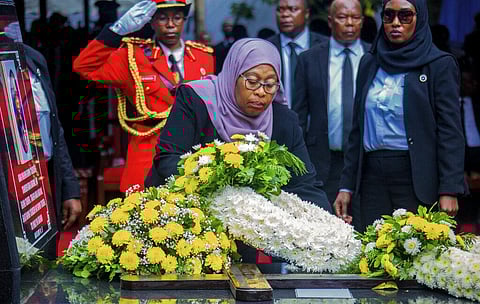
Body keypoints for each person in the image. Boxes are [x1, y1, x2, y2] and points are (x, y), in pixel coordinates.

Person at [145, 38, 331, 212]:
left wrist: (330, 225)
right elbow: (169, 159)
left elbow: (305, 183)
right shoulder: (196, 100)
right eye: (252, 82)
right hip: (189, 210)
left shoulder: (283, 120)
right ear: (234, 75)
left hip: (255, 222)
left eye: (270, 84)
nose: (261, 92)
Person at [334, 0, 465, 232]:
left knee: (414, 254)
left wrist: (449, 189)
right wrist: (346, 186)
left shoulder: (438, 65)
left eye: (405, 16)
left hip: (416, 176)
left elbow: (450, 131)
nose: (395, 23)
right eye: (388, 16)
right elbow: (357, 130)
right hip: (372, 176)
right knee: (373, 252)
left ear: (420, 18)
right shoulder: (369, 62)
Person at [73, 0, 215, 192]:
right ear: (151, 21)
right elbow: (84, 66)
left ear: (185, 20)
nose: (171, 24)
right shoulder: (133, 55)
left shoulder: (203, 57)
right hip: (149, 153)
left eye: (177, 17)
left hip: (193, 151)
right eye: (163, 18)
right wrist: (117, 30)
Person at [293, 0, 370, 212]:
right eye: (342, 17)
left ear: (362, 21)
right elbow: (299, 114)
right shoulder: (309, 59)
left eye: (355, 18)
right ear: (330, 21)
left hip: (365, 163)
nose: (349, 23)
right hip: (323, 161)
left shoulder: (375, 57)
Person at [267, 0, 327, 108]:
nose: (285, 15)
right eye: (280, 10)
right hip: (278, 121)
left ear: (307, 13)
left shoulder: (325, 47)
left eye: (293, 9)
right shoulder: (266, 47)